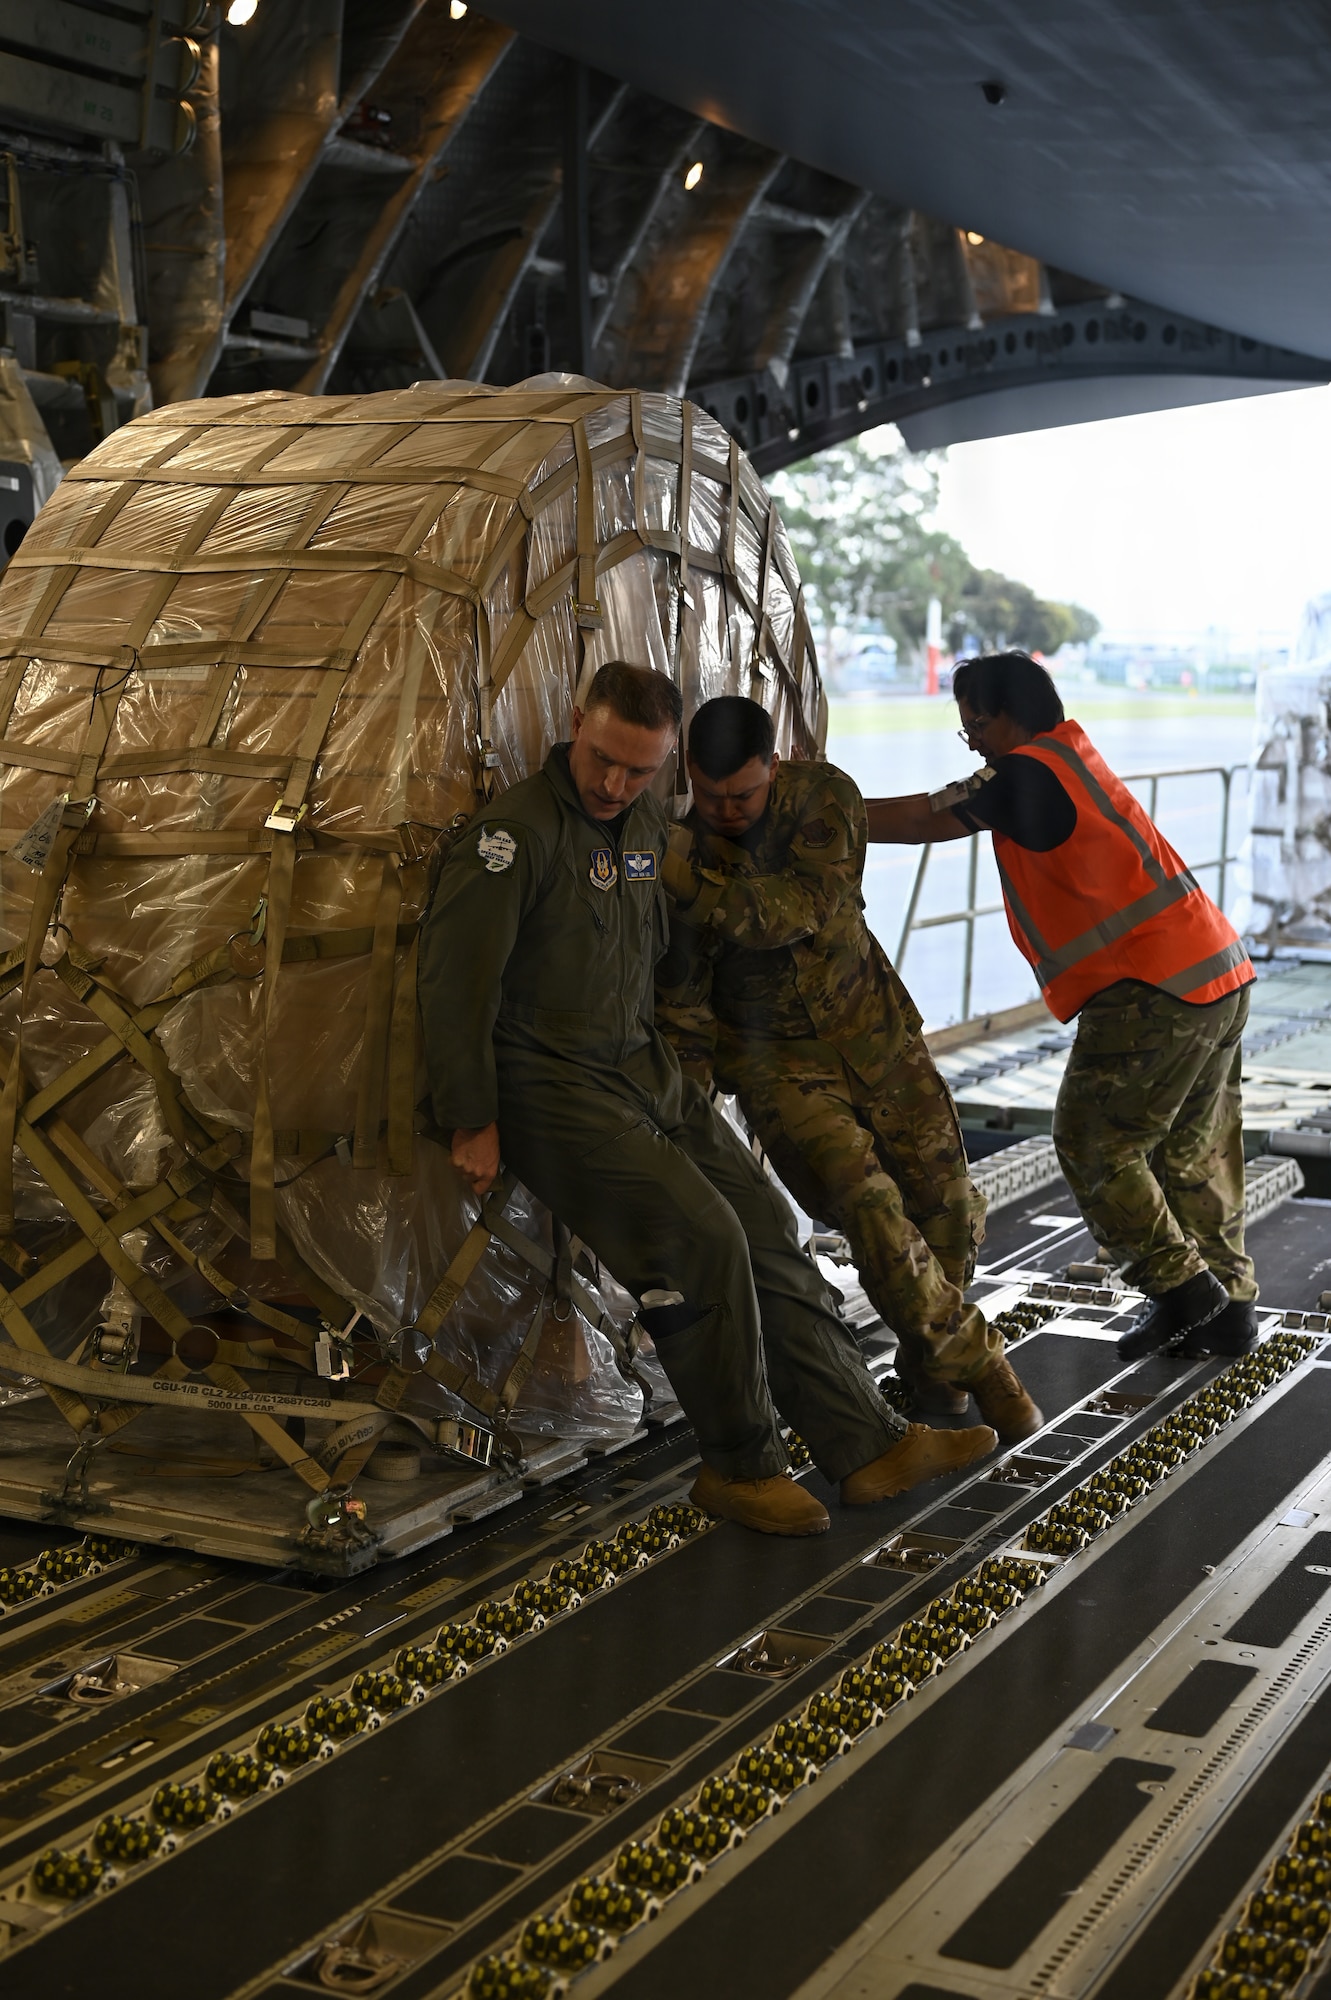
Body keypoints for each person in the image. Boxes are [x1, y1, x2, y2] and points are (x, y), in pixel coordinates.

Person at [418, 661, 997, 1539]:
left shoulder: (647, 828)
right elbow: (455, 985)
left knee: (765, 1223)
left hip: (640, 1066)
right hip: (551, 1083)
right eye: (605, 759)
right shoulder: (515, 838)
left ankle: (868, 1443)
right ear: (578, 721)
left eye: (641, 769)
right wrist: (472, 1117)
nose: (616, 784)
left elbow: (671, 951)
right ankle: (740, 1464)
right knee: (704, 1240)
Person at [656, 695, 1041, 1442]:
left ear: (775, 767)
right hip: (778, 1069)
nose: (726, 811)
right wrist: (688, 1107)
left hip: (876, 1040)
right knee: (869, 1207)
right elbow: (684, 998)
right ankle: (981, 1365)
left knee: (951, 1209)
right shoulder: (684, 845)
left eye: (742, 794)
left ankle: (931, 1379)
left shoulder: (821, 799)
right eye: (708, 796)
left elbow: (793, 910)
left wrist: (692, 885)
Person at [863, 651, 1257, 1360]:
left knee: (1091, 1141)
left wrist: (814, 817)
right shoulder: (1069, 757)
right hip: (1214, 973)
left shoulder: (1025, 772)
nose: (974, 740)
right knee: (1190, 1151)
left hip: (1153, 988)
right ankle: (1225, 1308)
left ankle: (1184, 1292)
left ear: (1008, 717)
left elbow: (930, 816)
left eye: (975, 725)